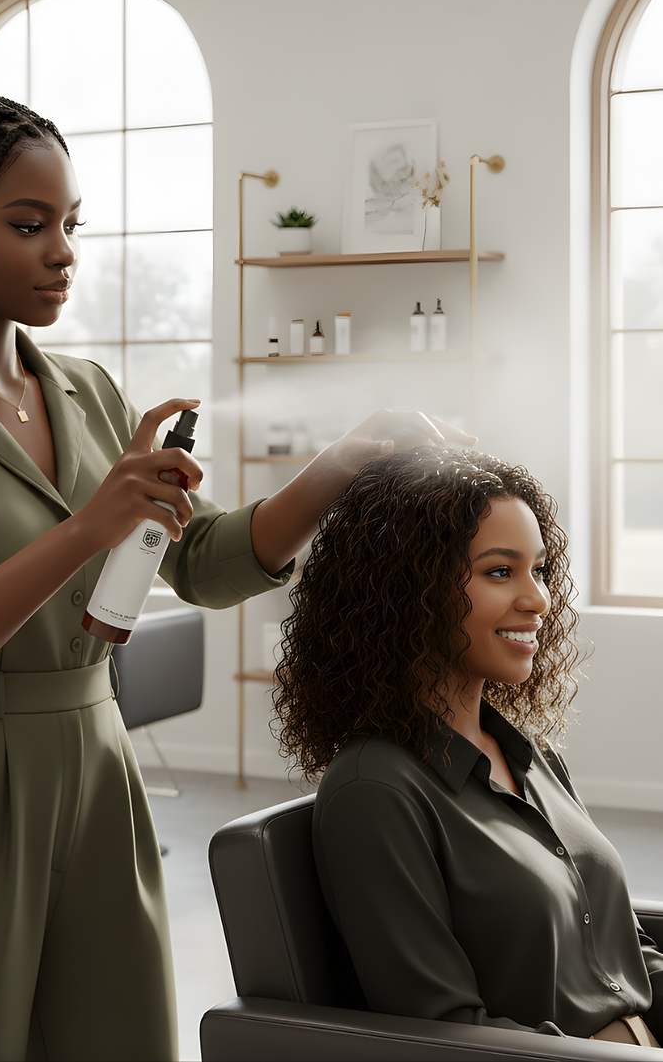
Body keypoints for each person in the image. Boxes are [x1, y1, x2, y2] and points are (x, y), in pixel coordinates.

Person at [0, 93, 469, 1062]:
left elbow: (194, 561)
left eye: (70, 224)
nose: (61, 251)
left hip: (98, 778)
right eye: (27, 225)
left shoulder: (85, 389)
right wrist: (86, 527)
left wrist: (347, 459)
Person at [274, 447, 663, 1046]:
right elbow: (443, 1034)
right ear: (407, 588)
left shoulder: (530, 755)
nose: (538, 600)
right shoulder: (374, 791)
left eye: (539, 570)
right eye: (500, 572)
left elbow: (620, 948)